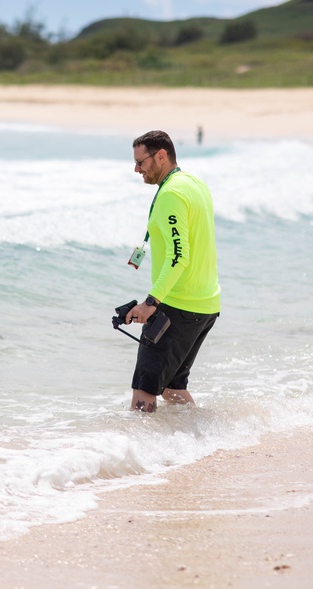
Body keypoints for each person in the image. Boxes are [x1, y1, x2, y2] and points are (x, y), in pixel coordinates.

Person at [125, 130, 221, 412]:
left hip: (176, 308)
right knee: (173, 389)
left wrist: (151, 302)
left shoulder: (171, 194)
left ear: (161, 156)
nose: (136, 169)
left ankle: (141, 454)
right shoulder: (194, 183)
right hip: (205, 305)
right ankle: (204, 439)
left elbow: (179, 257)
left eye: (140, 162)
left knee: (144, 393)